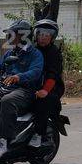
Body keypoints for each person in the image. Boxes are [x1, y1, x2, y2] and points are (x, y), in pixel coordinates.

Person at [0, 19, 43, 160]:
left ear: (24, 36)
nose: (8, 37)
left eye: (12, 34)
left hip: (25, 91)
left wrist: (19, 77)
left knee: (7, 101)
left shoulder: (35, 54)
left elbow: (36, 72)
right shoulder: (10, 53)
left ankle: (3, 142)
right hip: (6, 87)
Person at [29, 19, 64, 148]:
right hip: (33, 85)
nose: (43, 38)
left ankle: (38, 134)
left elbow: (52, 74)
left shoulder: (54, 53)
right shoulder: (31, 49)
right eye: (41, 34)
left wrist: (46, 90)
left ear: (52, 37)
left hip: (51, 87)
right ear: (36, 35)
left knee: (42, 101)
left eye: (46, 35)